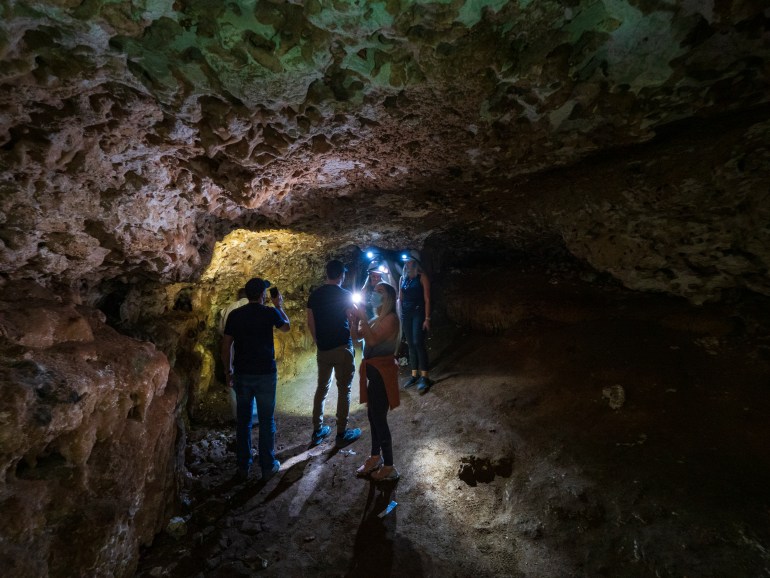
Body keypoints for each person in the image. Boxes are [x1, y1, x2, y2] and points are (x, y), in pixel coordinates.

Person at [222, 277, 290, 482]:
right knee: (266, 419)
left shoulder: (235, 315)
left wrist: (228, 371)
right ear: (262, 294)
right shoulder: (269, 312)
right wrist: (279, 306)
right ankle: (267, 466)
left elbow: (226, 346)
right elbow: (286, 327)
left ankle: (243, 466)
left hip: (242, 374)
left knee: (243, 421)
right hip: (265, 374)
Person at [348, 282, 401, 481]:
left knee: (379, 419)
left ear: (388, 298)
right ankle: (375, 456)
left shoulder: (391, 319)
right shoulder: (375, 318)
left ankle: (389, 465)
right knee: (372, 417)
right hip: (373, 376)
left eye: (380, 292)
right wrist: (354, 320)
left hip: (382, 377)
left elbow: (371, 341)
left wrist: (361, 316)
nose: (374, 295)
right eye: (375, 291)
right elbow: (356, 337)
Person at [306, 259, 362, 447]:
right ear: (341, 275)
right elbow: (354, 316)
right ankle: (341, 432)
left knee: (321, 388)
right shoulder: (344, 295)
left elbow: (310, 322)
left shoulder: (315, 296)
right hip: (341, 348)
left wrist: (317, 341)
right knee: (344, 389)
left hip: (323, 349)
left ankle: (317, 430)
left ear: (327, 274)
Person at [219, 287, 257, 422]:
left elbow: (222, 331)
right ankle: (255, 416)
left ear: (238, 296)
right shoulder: (255, 307)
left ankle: (239, 416)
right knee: (254, 379)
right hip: (252, 348)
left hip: (232, 348)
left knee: (234, 381)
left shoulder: (228, 309)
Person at [399, 255, 432, 392]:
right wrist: (400, 314)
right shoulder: (403, 279)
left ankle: (425, 376)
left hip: (418, 313)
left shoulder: (422, 277)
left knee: (418, 342)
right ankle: (414, 375)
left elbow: (427, 299)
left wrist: (427, 318)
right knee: (410, 344)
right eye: (406, 262)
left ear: (415, 262)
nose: (408, 264)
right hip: (406, 314)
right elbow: (400, 298)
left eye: (410, 261)